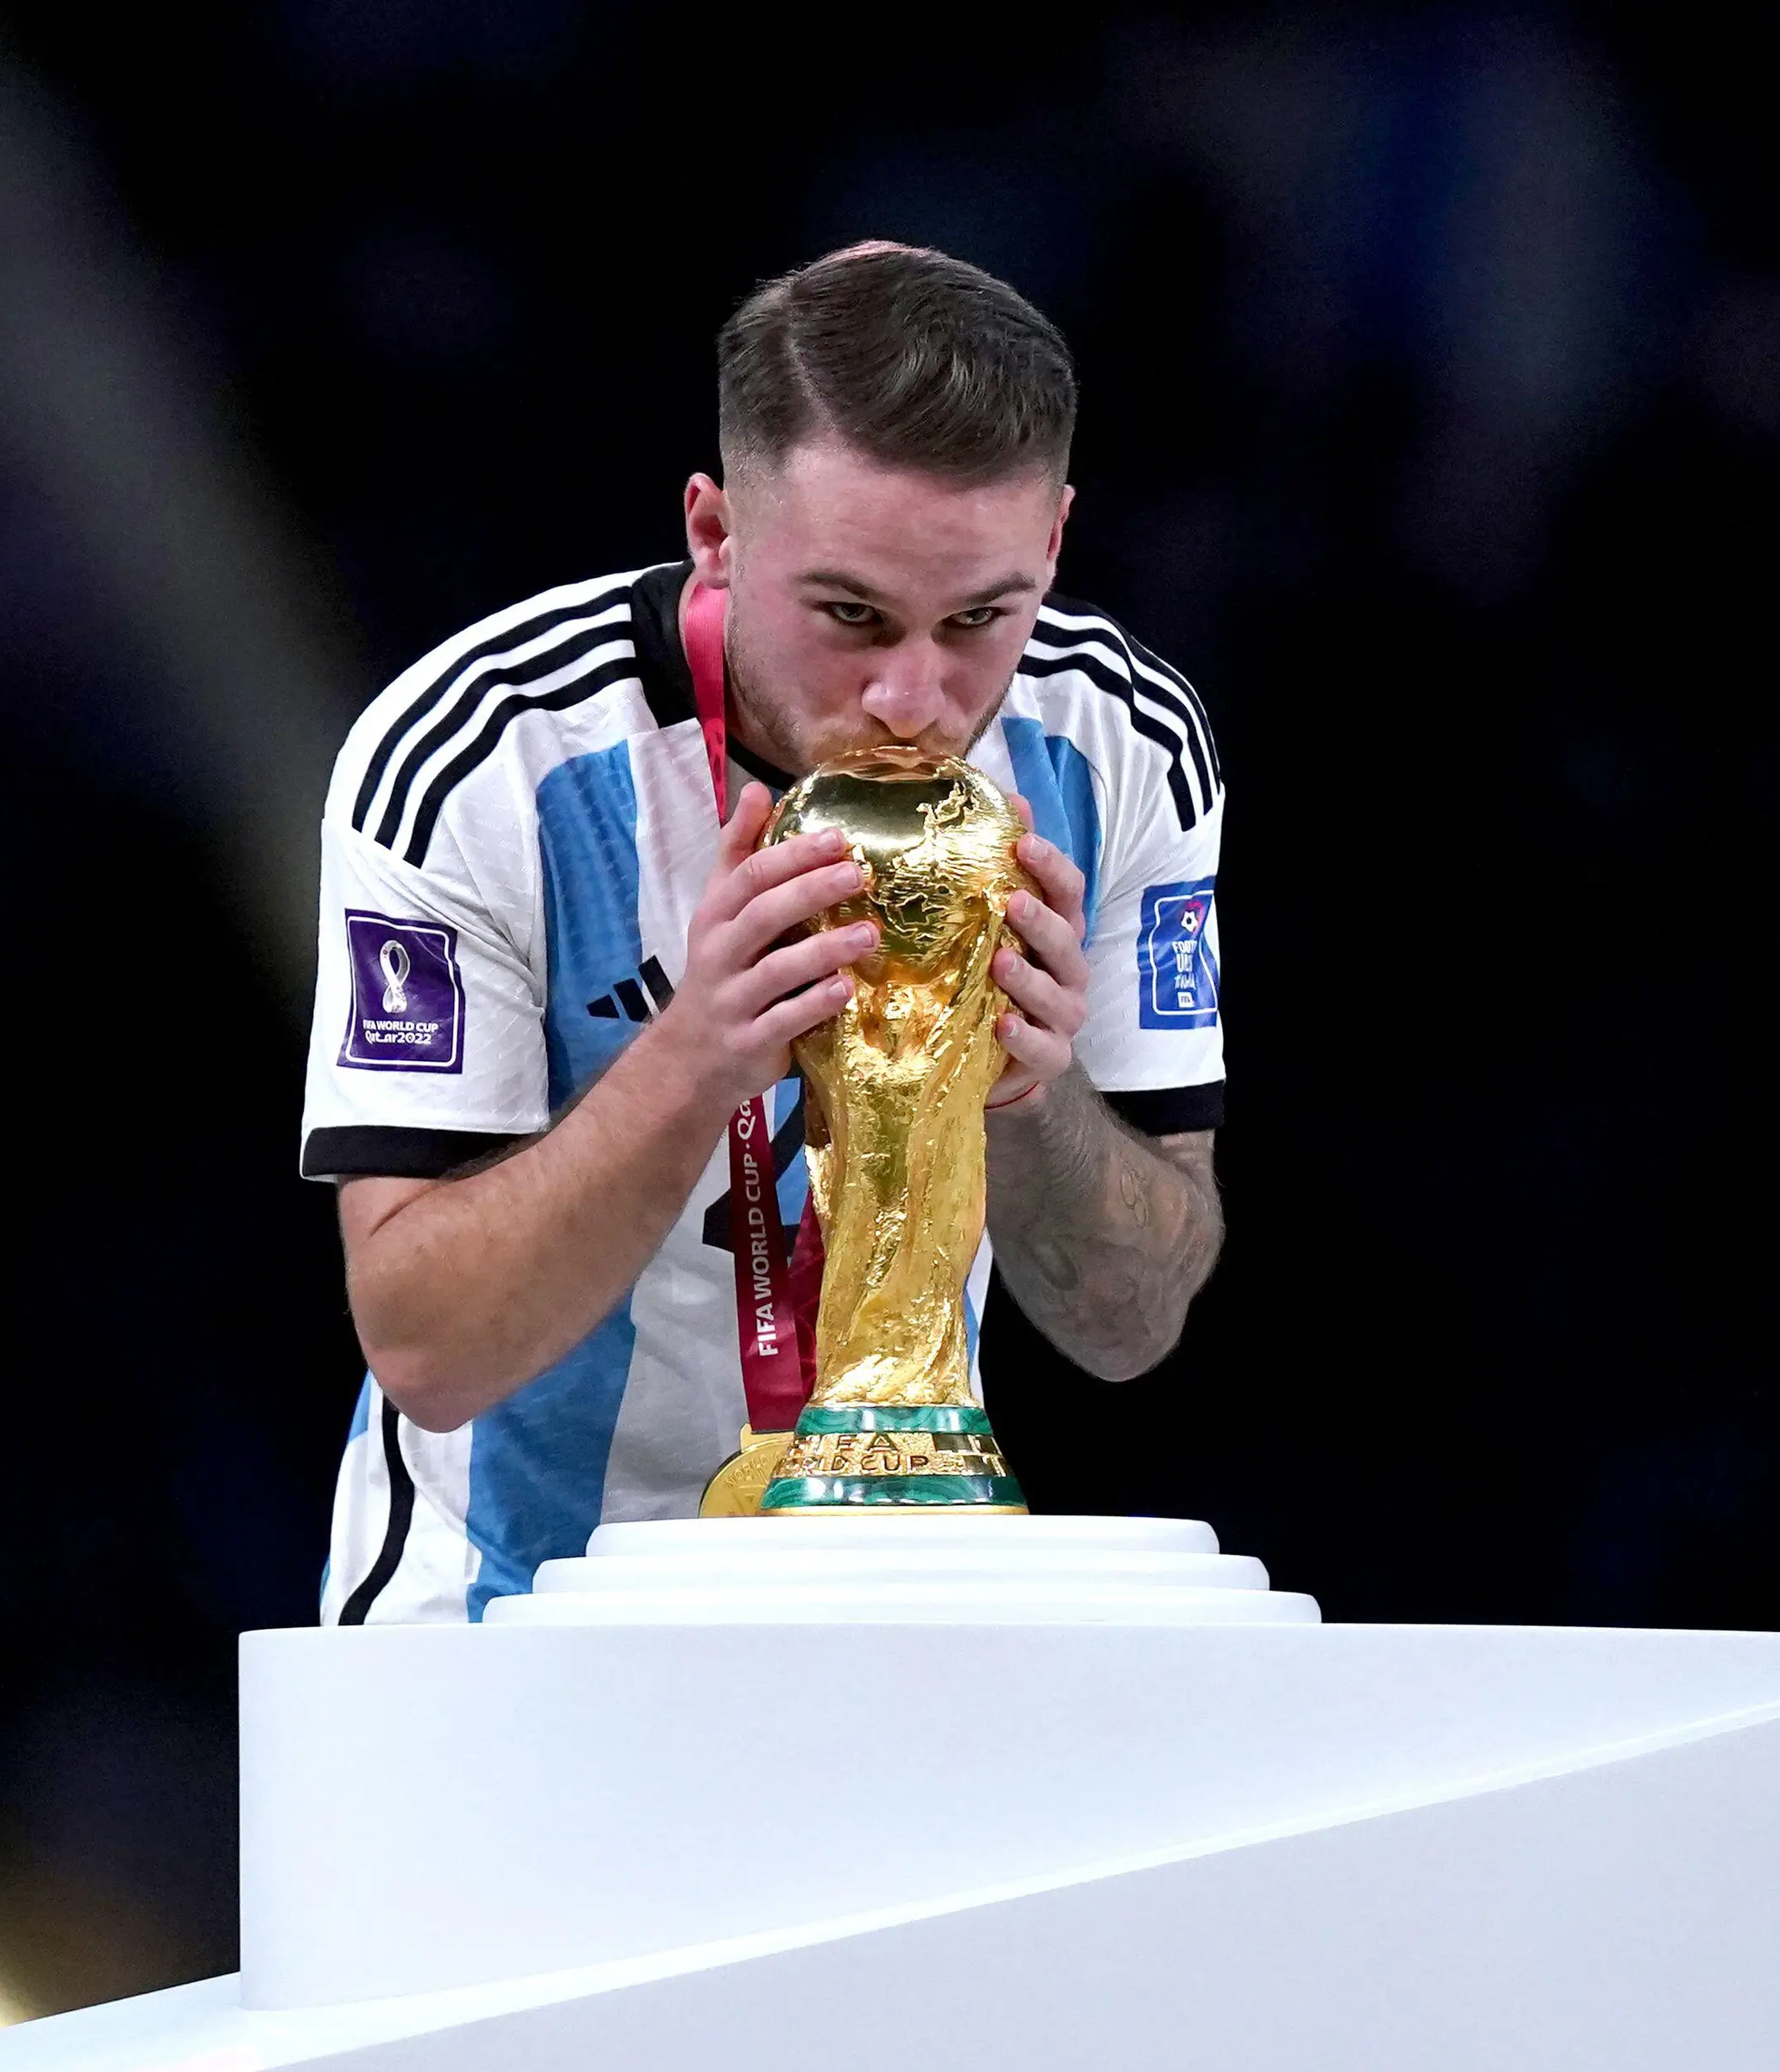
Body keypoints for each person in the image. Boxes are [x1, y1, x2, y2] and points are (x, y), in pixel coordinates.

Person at [298, 243, 1229, 1623]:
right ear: (716, 534)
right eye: (851, 615)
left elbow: (1131, 1322)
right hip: (496, 1638)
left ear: (1054, 542)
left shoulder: (1124, 746)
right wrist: (695, 1061)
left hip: (888, 1610)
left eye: (983, 618)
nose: (914, 697)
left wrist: (1034, 1096)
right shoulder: (479, 756)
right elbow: (427, 1347)